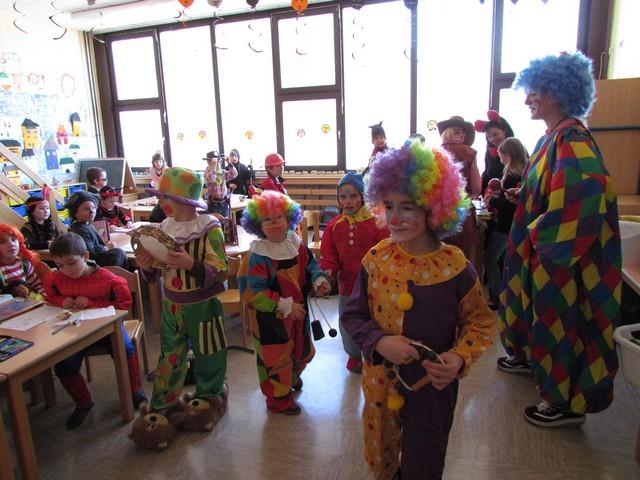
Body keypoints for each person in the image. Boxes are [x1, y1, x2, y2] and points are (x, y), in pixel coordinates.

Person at [342, 139, 494, 480]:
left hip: (433, 386)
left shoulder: (455, 266)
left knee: (424, 463)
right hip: (380, 385)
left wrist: (459, 358)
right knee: (381, 460)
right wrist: (380, 341)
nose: (394, 218)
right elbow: (353, 315)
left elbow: (480, 322)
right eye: (389, 206)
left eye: (407, 208)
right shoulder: (376, 259)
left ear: (433, 209)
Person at [499, 51, 621, 428]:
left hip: (561, 259)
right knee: (538, 316)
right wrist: (526, 197)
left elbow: (585, 192)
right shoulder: (551, 138)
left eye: (534, 92)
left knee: (560, 324)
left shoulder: (573, 139)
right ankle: (530, 360)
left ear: (557, 92)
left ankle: (563, 402)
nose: (527, 100)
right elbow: (553, 189)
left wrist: (541, 233)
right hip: (545, 252)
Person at [136, 167, 229, 417]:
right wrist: (148, 267)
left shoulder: (210, 228)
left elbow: (222, 269)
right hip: (171, 305)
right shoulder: (163, 227)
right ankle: (163, 404)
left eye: (165, 198)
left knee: (209, 353)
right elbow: (159, 269)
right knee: (170, 355)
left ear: (183, 201)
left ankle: (209, 397)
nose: (160, 203)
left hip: (204, 306)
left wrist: (191, 265)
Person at [238, 191, 331, 415]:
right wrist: (284, 306)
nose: (274, 223)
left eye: (279, 217)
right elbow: (255, 293)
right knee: (276, 358)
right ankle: (278, 400)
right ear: (258, 225)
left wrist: (318, 280)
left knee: (303, 350)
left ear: (289, 218)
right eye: (267, 219)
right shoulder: (259, 255)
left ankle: (292, 375)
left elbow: (310, 265)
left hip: (298, 312)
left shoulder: (295, 243)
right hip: (271, 318)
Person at [45, 232, 147, 429]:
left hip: (108, 329)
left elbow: (123, 306)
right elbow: (49, 298)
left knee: (125, 349)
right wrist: (61, 300)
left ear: (85, 256)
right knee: (64, 365)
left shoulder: (110, 280)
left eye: (71, 263)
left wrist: (93, 303)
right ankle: (83, 402)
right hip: (75, 331)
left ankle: (135, 389)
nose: (66, 270)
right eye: (60, 265)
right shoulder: (54, 278)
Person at [319, 172, 389, 373]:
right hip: (347, 285)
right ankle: (354, 354)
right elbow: (329, 256)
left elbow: (387, 250)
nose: (347, 201)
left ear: (362, 196)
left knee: (376, 318)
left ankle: (376, 351)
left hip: (375, 285)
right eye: (343, 197)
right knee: (348, 321)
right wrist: (327, 274)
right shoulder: (333, 226)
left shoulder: (376, 222)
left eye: (353, 196)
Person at [482, 137, 527, 309]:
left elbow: (508, 207)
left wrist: (492, 201)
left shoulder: (512, 176)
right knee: (503, 260)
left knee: (490, 259)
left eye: (501, 155)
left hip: (505, 225)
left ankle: (495, 297)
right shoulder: (522, 173)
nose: (500, 159)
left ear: (509, 154)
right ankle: (504, 295)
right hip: (513, 224)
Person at [438, 115, 482, 262]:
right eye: (460, 132)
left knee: (439, 259)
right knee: (461, 260)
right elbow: (477, 188)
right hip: (462, 212)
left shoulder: (435, 153)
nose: (463, 135)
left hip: (439, 213)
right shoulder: (470, 153)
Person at [64, 190, 128, 268]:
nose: (92, 211)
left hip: (99, 258)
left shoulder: (88, 224)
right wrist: (107, 247)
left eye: (93, 207)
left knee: (120, 253)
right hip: (92, 265)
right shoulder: (79, 230)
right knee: (118, 253)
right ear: (75, 213)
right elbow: (91, 253)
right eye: (86, 209)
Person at [474, 110, 515, 193]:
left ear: (504, 131)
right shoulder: (490, 153)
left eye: (495, 134)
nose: (492, 139)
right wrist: (478, 192)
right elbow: (486, 175)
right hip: (491, 196)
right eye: (489, 137)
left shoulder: (517, 149)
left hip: (511, 195)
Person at [0, 224, 45, 297]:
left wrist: (44, 297)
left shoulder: (24, 263)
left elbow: (37, 285)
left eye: (13, 240)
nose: (11, 244)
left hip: (28, 300)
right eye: (3, 242)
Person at [204, 150, 238, 218]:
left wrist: (229, 162)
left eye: (218, 161)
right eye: (214, 161)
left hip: (224, 203)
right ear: (208, 162)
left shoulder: (222, 172)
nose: (217, 163)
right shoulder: (207, 172)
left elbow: (234, 174)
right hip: (214, 204)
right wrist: (213, 168)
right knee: (215, 223)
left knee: (225, 222)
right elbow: (211, 179)